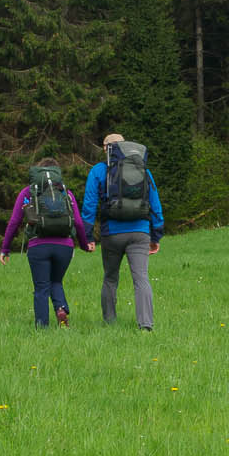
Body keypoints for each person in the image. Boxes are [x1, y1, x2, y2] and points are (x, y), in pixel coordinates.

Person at [80, 132, 164, 330]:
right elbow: (156, 205)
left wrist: (87, 236)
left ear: (105, 148)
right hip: (140, 232)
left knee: (110, 278)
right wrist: (156, 235)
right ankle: (145, 325)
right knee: (141, 278)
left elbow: (89, 206)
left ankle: (109, 322)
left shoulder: (99, 171)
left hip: (112, 233)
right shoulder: (144, 170)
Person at [0, 158, 93, 327]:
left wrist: (5, 248)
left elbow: (14, 222)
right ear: (56, 173)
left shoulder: (28, 193)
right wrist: (85, 244)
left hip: (38, 246)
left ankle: (42, 327)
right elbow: (78, 223)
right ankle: (61, 309)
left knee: (41, 287)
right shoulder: (66, 193)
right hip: (64, 246)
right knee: (56, 281)